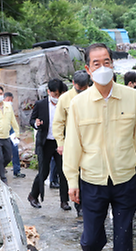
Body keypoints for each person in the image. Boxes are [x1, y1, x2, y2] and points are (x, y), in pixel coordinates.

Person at [64, 43, 136, 251]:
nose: (102, 68)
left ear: (113, 64)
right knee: (91, 238)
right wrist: (71, 180)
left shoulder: (131, 97)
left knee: (124, 235)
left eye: (106, 62)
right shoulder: (78, 103)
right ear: (87, 69)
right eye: (96, 63)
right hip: (92, 180)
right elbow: (72, 145)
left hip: (126, 178)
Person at [27, 78, 71, 211]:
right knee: (43, 171)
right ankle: (33, 195)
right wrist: (36, 123)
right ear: (48, 92)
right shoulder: (41, 104)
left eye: (59, 95)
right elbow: (32, 120)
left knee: (64, 172)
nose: (57, 97)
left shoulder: (66, 103)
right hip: (45, 142)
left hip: (61, 142)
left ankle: (64, 201)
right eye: (54, 95)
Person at [53, 70, 91, 217]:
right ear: (73, 84)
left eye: (84, 89)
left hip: (91, 140)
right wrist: (60, 143)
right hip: (72, 143)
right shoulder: (65, 98)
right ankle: (79, 205)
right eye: (78, 89)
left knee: (89, 173)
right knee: (74, 173)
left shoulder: (94, 95)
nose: (81, 92)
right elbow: (58, 123)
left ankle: (90, 203)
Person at [4, 92, 25, 178]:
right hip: (2, 132)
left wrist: (17, 133)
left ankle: (17, 170)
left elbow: (14, 122)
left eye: (11, 100)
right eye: (8, 100)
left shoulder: (10, 109)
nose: (10, 102)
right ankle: (0, 169)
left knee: (15, 150)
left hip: (11, 131)